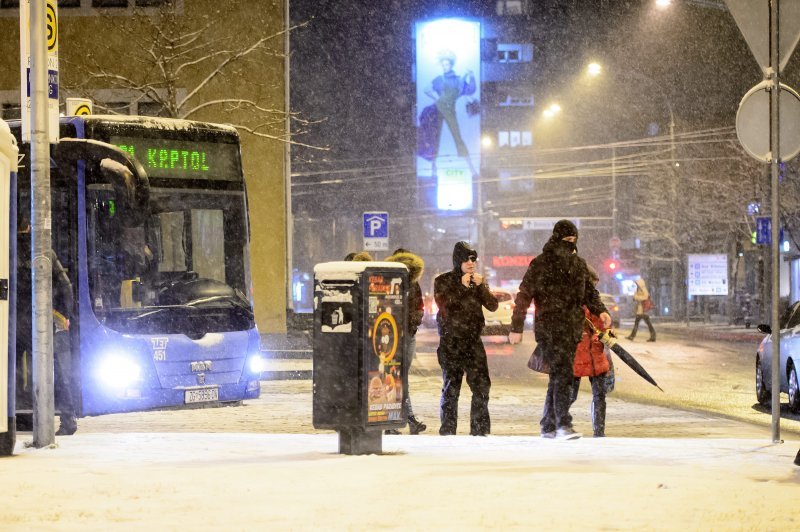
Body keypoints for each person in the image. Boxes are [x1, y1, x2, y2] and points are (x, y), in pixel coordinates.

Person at [509, 220, 610, 441]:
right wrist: (516, 327)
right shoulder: (541, 264)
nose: (570, 243)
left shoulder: (578, 265)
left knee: (558, 375)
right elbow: (524, 295)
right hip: (550, 328)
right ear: (557, 237)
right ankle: (563, 424)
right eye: (567, 238)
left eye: (573, 239)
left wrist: (601, 310)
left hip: (571, 329)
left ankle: (548, 425)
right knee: (563, 373)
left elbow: (589, 294)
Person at [434, 241, 498, 436]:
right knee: (451, 389)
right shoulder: (443, 280)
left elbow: (493, 305)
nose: (471, 263)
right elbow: (444, 305)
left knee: (481, 387)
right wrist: (461, 287)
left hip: (473, 342)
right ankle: (448, 432)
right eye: (467, 259)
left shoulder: (477, 282)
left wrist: (482, 287)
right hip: (451, 342)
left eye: (473, 259)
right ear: (458, 260)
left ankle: (480, 431)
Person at [418, 49, 479, 178]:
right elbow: (426, 89)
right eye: (443, 65)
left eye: (447, 64)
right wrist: (437, 99)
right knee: (435, 137)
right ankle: (433, 167)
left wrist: (472, 76)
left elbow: (470, 90)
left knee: (457, 137)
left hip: (450, 109)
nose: (444, 67)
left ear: (451, 65)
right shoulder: (440, 79)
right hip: (439, 108)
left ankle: (471, 168)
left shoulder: (458, 80)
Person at [386, 247, 427, 435]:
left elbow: (419, 306)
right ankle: (401, 420)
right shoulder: (388, 281)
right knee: (396, 378)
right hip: (392, 337)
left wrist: (411, 325)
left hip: (407, 336)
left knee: (400, 378)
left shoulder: (413, 283)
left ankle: (400, 421)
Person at [571, 266, 611, 438]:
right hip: (579, 356)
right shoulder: (574, 303)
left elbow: (605, 326)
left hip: (595, 356)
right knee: (570, 395)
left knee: (599, 396)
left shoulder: (596, 304)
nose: (593, 289)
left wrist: (606, 334)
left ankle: (599, 431)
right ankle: (556, 425)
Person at [627, 278, 656, 342]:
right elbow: (635, 296)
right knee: (640, 324)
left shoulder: (643, 289)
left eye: (637, 284)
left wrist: (637, 298)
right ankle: (632, 336)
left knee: (646, 324)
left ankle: (653, 336)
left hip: (644, 310)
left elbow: (645, 297)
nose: (636, 285)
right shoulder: (638, 290)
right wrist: (637, 297)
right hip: (640, 310)